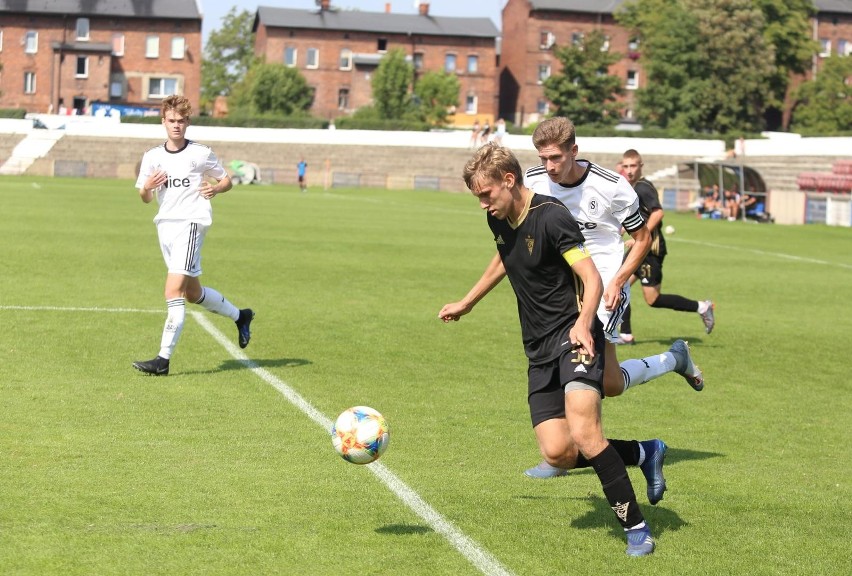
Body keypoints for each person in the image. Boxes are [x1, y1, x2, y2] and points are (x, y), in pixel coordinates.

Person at [439, 143, 657, 556]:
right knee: (557, 452)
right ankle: (644, 452)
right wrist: (468, 301)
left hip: (575, 336)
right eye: (477, 198)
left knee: (586, 433)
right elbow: (505, 258)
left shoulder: (553, 217)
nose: (483, 204)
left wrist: (582, 322)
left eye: (486, 194)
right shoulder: (499, 218)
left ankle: (637, 528)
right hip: (537, 346)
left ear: (509, 180)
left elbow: (591, 279)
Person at [456, 118, 701, 479]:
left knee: (604, 382)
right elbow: (511, 249)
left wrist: (619, 280)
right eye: (544, 157)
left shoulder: (613, 187)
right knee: (609, 381)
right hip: (559, 281)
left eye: (556, 157)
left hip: (600, 282)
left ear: (574, 150)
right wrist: (468, 301)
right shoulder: (534, 182)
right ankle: (563, 448)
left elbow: (643, 239)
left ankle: (576, 445)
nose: (550, 167)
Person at [132, 95, 254, 376]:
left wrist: (216, 189)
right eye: (172, 120)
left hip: (191, 224)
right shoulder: (152, 156)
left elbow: (226, 180)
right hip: (165, 227)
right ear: (163, 121)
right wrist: (147, 187)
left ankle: (162, 360)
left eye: (182, 121)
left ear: (188, 122)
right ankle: (240, 316)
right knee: (192, 293)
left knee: (172, 291)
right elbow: (144, 198)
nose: (176, 126)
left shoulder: (200, 153)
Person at [616, 149, 715, 345]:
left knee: (652, 299)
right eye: (626, 166)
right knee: (619, 284)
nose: (629, 170)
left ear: (641, 166)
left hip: (650, 250)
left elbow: (658, 213)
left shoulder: (643, 187)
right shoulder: (633, 187)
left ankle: (702, 307)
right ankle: (625, 334)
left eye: (633, 166)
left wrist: (639, 238)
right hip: (641, 248)